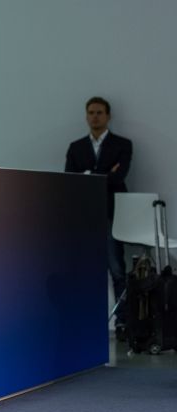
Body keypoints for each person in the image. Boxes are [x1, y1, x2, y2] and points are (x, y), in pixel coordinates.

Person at [65, 96, 133, 338]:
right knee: (85, 269)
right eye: (91, 112)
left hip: (112, 213)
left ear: (108, 116)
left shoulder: (123, 145)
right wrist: (104, 173)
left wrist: (89, 175)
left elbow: (119, 176)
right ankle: (87, 319)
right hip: (84, 214)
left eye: (99, 112)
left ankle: (123, 321)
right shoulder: (76, 147)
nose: (95, 116)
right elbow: (70, 181)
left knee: (116, 268)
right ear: (86, 116)